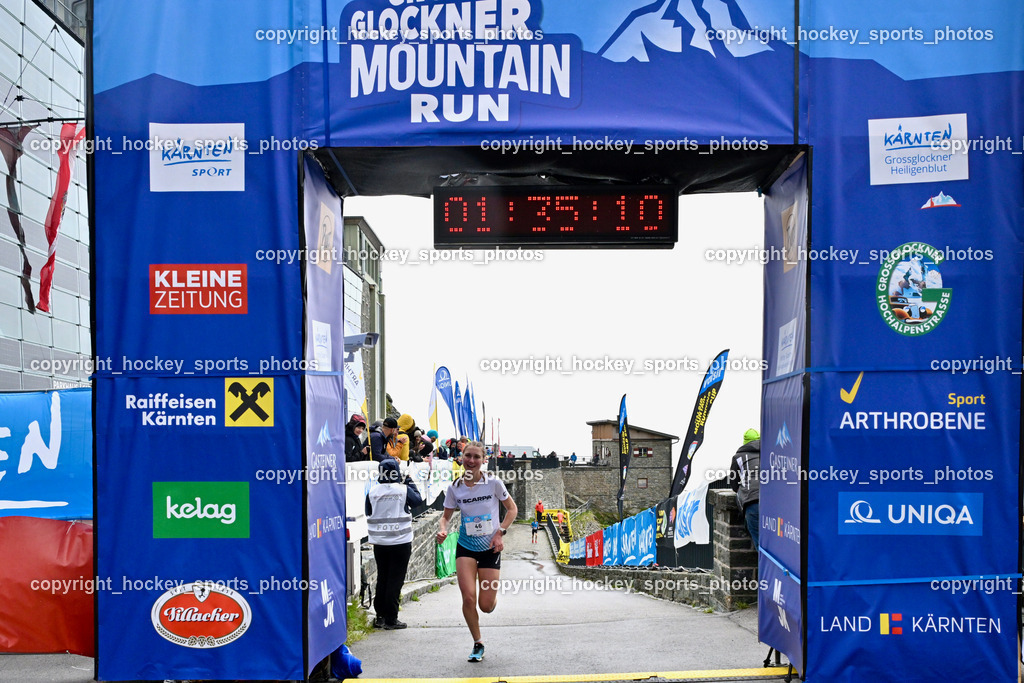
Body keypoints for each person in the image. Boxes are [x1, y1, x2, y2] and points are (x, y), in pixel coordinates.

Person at [436, 441, 518, 662]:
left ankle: (491, 600)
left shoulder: (493, 483)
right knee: (468, 598)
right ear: (461, 457)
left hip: (490, 547)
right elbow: (446, 516)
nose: (471, 461)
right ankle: (477, 643)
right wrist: (443, 529)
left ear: (483, 460)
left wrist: (500, 531)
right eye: (467, 456)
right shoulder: (455, 487)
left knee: (486, 605)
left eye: (476, 457)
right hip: (466, 546)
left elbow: (512, 509)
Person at [366, 459, 423, 629]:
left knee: (383, 577)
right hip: (400, 541)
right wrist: (409, 481)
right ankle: (392, 618)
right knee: (395, 580)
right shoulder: (403, 490)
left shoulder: (372, 491)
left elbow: (368, 511)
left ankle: (380, 616)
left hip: (380, 542)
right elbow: (418, 500)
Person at [729, 428, 761, 549]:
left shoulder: (738, 457)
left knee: (760, 544)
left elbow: (734, 484)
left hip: (752, 502)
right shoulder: (770, 453)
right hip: (774, 503)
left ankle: (763, 567)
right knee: (776, 544)